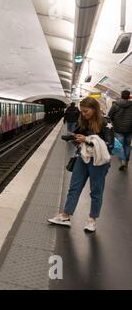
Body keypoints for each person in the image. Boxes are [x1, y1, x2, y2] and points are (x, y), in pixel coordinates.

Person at [48, 97, 114, 232]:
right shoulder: (84, 122)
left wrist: (87, 140)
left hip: (98, 162)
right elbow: (78, 134)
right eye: (82, 111)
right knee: (74, 187)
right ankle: (66, 215)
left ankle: (92, 220)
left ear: (94, 109)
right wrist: (74, 139)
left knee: (96, 191)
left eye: (86, 111)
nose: (83, 114)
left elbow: (109, 145)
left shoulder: (105, 123)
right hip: (82, 158)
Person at [108, 90, 132, 171]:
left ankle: (123, 160)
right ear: (129, 96)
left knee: (119, 146)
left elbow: (109, 116)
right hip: (129, 129)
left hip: (118, 129)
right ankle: (126, 160)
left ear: (121, 96)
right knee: (127, 145)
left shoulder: (115, 105)